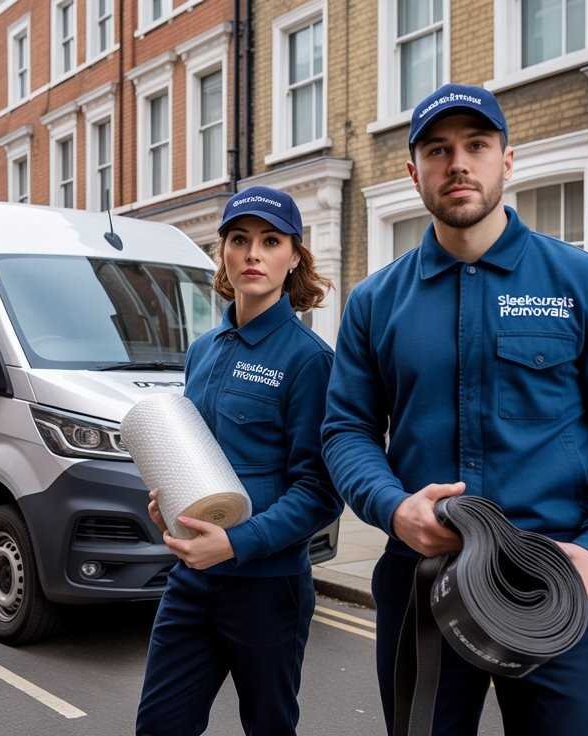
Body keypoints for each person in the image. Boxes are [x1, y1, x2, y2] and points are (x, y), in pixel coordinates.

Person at [321, 83, 588, 735]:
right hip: (421, 582)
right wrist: (394, 508)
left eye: (477, 145)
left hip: (555, 580)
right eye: (437, 149)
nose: (458, 163)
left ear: (507, 161)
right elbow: (346, 430)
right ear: (414, 172)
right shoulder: (374, 302)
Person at [136, 186, 343, 736]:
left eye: (271, 241)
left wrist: (233, 543)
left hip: (268, 589)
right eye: (239, 239)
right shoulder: (203, 350)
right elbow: (193, 459)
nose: (253, 253)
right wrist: (170, 503)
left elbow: (320, 493)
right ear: (223, 252)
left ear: (294, 257)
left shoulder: (310, 361)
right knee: (159, 726)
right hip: (192, 581)